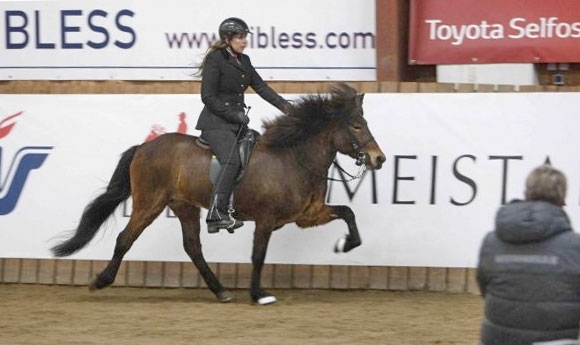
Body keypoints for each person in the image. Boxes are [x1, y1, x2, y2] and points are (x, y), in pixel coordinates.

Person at [194, 17, 291, 234]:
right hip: (215, 124)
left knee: (257, 151)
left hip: (236, 125)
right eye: (240, 37)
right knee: (232, 160)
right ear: (228, 38)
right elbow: (207, 97)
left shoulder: (244, 61)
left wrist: (286, 106)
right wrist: (233, 114)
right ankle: (217, 212)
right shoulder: (215, 60)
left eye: (245, 37)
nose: (244, 41)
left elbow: (262, 88)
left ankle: (240, 205)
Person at [477, 165, 580, 345]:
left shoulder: (491, 241)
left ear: (527, 191)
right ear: (562, 196)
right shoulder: (575, 246)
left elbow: (485, 288)